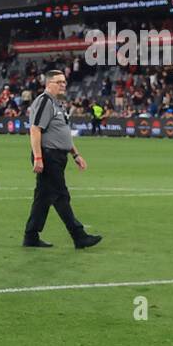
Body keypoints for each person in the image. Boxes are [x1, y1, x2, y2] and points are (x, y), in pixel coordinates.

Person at [24, 70, 101, 249]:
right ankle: (79, 235)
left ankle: (31, 236)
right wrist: (38, 157)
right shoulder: (44, 101)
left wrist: (75, 154)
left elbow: (63, 132)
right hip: (48, 155)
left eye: (64, 82)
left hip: (57, 156)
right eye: (59, 82)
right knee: (60, 196)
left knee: (42, 198)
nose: (63, 85)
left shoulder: (57, 104)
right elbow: (35, 129)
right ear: (49, 83)